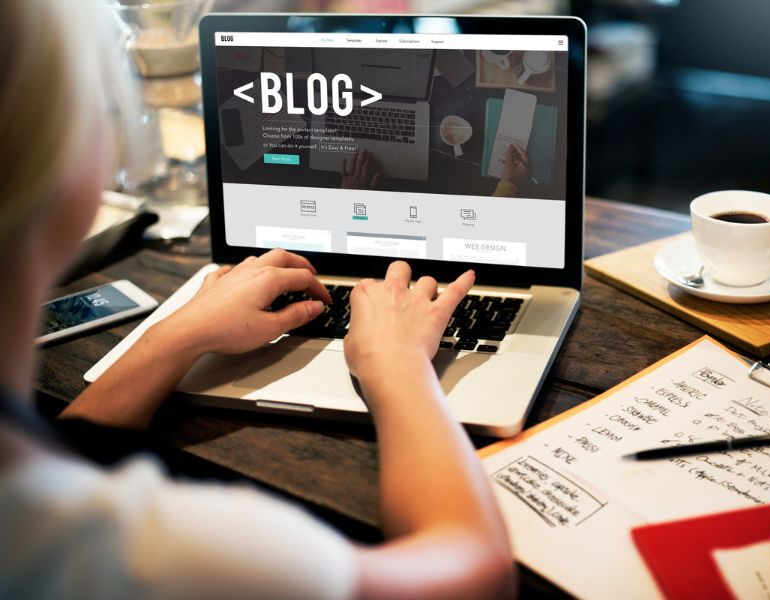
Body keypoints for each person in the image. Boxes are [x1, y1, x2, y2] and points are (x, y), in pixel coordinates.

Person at [0, 1, 515, 598]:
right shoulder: (164, 552)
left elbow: (70, 453)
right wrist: (398, 367)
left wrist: (175, 334)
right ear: (65, 159)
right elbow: (476, 572)